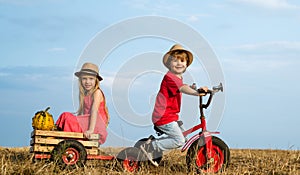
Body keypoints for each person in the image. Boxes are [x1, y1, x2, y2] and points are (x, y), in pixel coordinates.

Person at [140, 44, 208, 166]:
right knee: (179, 140)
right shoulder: (170, 77)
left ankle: (154, 144)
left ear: (186, 64)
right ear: (169, 63)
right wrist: (197, 92)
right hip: (163, 117)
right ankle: (151, 146)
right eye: (175, 60)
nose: (179, 63)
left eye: (182, 60)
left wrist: (194, 88)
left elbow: (182, 85)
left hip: (171, 115)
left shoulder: (177, 77)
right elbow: (182, 88)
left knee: (184, 138)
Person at [55, 62, 110, 144]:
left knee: (66, 116)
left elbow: (94, 111)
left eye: (91, 79)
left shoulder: (97, 92)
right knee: (65, 116)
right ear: (80, 80)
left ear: (96, 80)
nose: (87, 82)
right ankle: (55, 135)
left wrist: (91, 130)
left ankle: (65, 141)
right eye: (84, 79)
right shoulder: (85, 94)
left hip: (95, 125)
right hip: (87, 122)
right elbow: (83, 114)